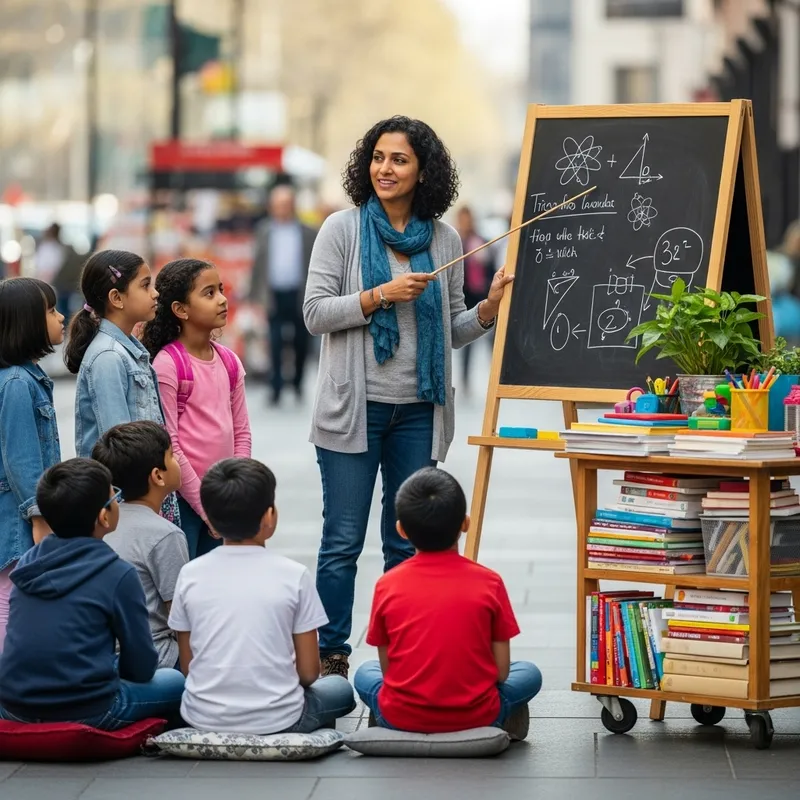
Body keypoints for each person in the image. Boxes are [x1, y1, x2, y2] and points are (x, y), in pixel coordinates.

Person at [303, 115, 513, 677]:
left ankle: (401, 658)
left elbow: (450, 329)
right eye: (377, 157)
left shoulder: (443, 239)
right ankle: (331, 655)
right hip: (354, 410)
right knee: (342, 540)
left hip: (419, 411)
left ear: (424, 170)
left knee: (407, 543)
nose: (385, 169)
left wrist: (487, 310)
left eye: (399, 159)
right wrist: (377, 296)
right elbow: (315, 314)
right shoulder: (341, 230)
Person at [168, 458, 355, 734]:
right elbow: (308, 673)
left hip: (203, 717)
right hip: (281, 719)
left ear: (211, 517)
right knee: (339, 688)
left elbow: (188, 667)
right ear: (269, 517)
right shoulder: (294, 575)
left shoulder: (189, 574)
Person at [354, 468, 542, 738]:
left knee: (365, 672)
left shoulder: (387, 584)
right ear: (465, 524)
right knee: (528, 673)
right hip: (477, 715)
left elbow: (388, 671)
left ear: (401, 530)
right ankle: (502, 721)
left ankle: (387, 722)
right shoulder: (490, 582)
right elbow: (501, 672)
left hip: (400, 715)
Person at [0, 459, 185, 729]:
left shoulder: (28, 563)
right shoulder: (117, 573)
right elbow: (142, 667)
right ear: (104, 517)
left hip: (14, 707)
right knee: (176, 681)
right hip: (89, 709)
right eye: (115, 498)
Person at [142, 259, 251, 559]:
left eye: (220, 289)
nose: (222, 299)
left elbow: (241, 432)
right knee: (183, 584)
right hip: (184, 503)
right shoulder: (168, 364)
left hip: (222, 502)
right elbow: (171, 444)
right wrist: (204, 507)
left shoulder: (229, 362)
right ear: (180, 310)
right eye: (209, 293)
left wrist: (235, 490)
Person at [64, 249, 180, 526]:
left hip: (142, 496)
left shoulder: (128, 350)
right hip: (127, 504)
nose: (155, 294)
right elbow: (117, 447)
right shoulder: (109, 357)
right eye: (145, 285)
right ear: (116, 298)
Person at [0, 277, 64, 651]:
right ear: (26, 323)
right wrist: (41, 517)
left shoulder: (24, 378)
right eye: (51, 311)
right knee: (10, 599)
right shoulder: (18, 384)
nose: (62, 318)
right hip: (17, 520)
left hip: (21, 514)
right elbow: (21, 459)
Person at [92, 422, 189, 668]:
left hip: (98, 657)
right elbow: (181, 618)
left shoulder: (99, 523)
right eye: (172, 455)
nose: (177, 460)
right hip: (153, 659)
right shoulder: (166, 534)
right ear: (158, 475)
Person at [249, 185, 317, 405]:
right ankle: (276, 388)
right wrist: (254, 297)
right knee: (275, 342)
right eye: (277, 205)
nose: (282, 209)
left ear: (293, 206)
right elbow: (257, 266)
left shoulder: (307, 231)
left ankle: (297, 383)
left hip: (300, 294)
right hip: (274, 294)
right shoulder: (264, 231)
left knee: (300, 342)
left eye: (285, 204)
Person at [455, 206, 495, 392]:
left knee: (491, 340)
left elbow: (491, 267)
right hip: (465, 297)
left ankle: (496, 375)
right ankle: (465, 379)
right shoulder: (456, 243)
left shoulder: (481, 240)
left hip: (484, 294)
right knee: (467, 341)